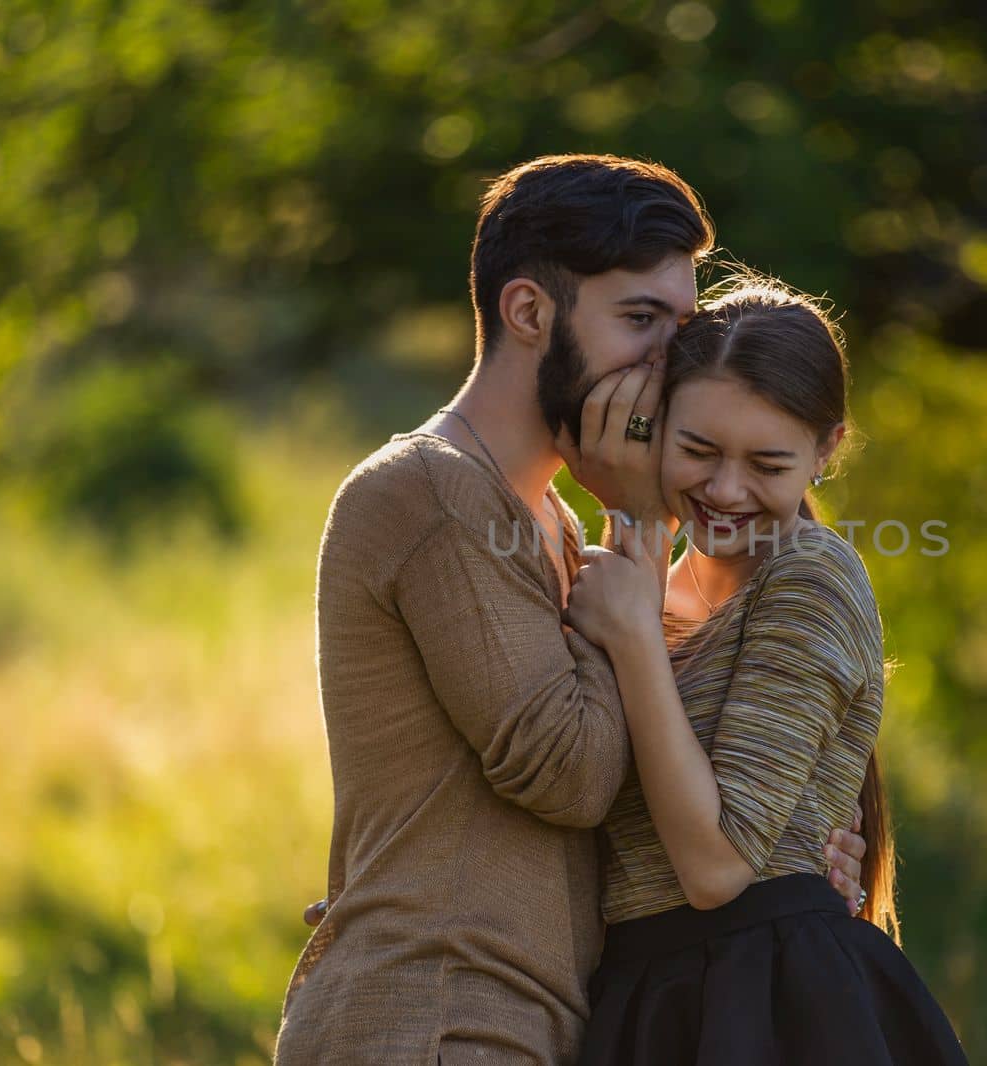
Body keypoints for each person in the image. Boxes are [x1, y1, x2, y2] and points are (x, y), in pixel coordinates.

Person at [274, 155, 870, 1065]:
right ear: (528, 312)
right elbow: (574, 773)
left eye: (679, 325)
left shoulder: (552, 521)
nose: (666, 359)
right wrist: (634, 522)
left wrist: (797, 853)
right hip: (435, 1012)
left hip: (529, 1015)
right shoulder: (433, 493)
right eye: (640, 321)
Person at [562, 283, 969, 1065]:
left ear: (826, 449)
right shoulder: (636, 583)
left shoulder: (807, 578)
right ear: (658, 426)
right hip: (645, 998)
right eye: (699, 450)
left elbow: (716, 868)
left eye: (768, 463)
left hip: (772, 1004)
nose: (724, 490)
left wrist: (635, 639)